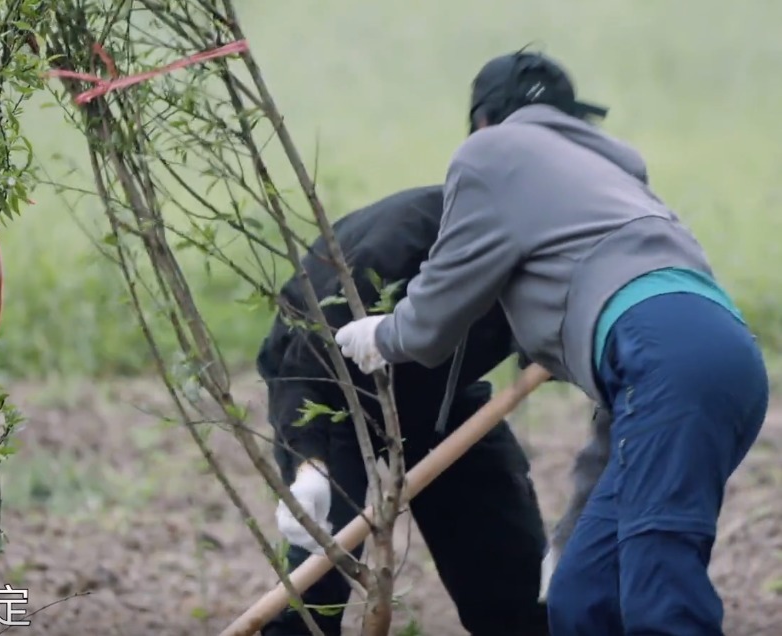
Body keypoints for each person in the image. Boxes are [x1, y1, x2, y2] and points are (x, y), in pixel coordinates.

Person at [335, 48, 769, 635]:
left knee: (659, 595)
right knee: (583, 593)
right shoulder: (613, 180)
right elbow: (620, 412)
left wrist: (385, 335)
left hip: (664, 354)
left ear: (484, 120)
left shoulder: (490, 151)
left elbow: (435, 315)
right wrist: (568, 537)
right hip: (713, 355)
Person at [257, 185, 550, 636]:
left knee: (509, 566)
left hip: (443, 392)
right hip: (335, 394)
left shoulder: (552, 254)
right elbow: (307, 373)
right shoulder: (393, 250)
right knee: (320, 573)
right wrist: (309, 467)